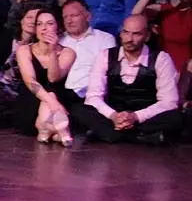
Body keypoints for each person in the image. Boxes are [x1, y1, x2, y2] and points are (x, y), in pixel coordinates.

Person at [72, 15, 182, 145]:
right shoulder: (106, 55)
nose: (129, 39)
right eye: (126, 32)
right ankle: (139, 137)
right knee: (79, 109)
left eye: (136, 34)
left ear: (147, 36)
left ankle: (113, 135)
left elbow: (169, 101)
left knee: (177, 118)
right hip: (113, 115)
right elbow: (93, 96)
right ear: (121, 33)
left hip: (145, 116)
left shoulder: (161, 59)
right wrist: (113, 116)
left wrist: (135, 117)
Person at [15, 9, 76, 146]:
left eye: (49, 23)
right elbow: (30, 82)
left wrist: (53, 52)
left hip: (60, 97)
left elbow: (53, 78)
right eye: (39, 24)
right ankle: (60, 131)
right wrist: (52, 102)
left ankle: (45, 130)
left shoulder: (68, 52)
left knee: (52, 91)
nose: (44, 28)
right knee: (50, 95)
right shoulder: (24, 50)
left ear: (58, 28)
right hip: (32, 101)